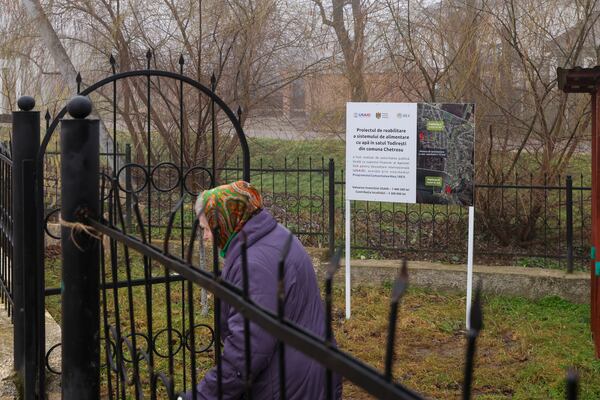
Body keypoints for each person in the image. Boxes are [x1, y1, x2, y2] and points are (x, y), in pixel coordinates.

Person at [180, 180, 342, 400]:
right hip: (309, 367)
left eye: (208, 228)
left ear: (227, 220)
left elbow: (246, 353)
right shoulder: (272, 235)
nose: (206, 237)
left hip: (288, 383)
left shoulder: (254, 265)